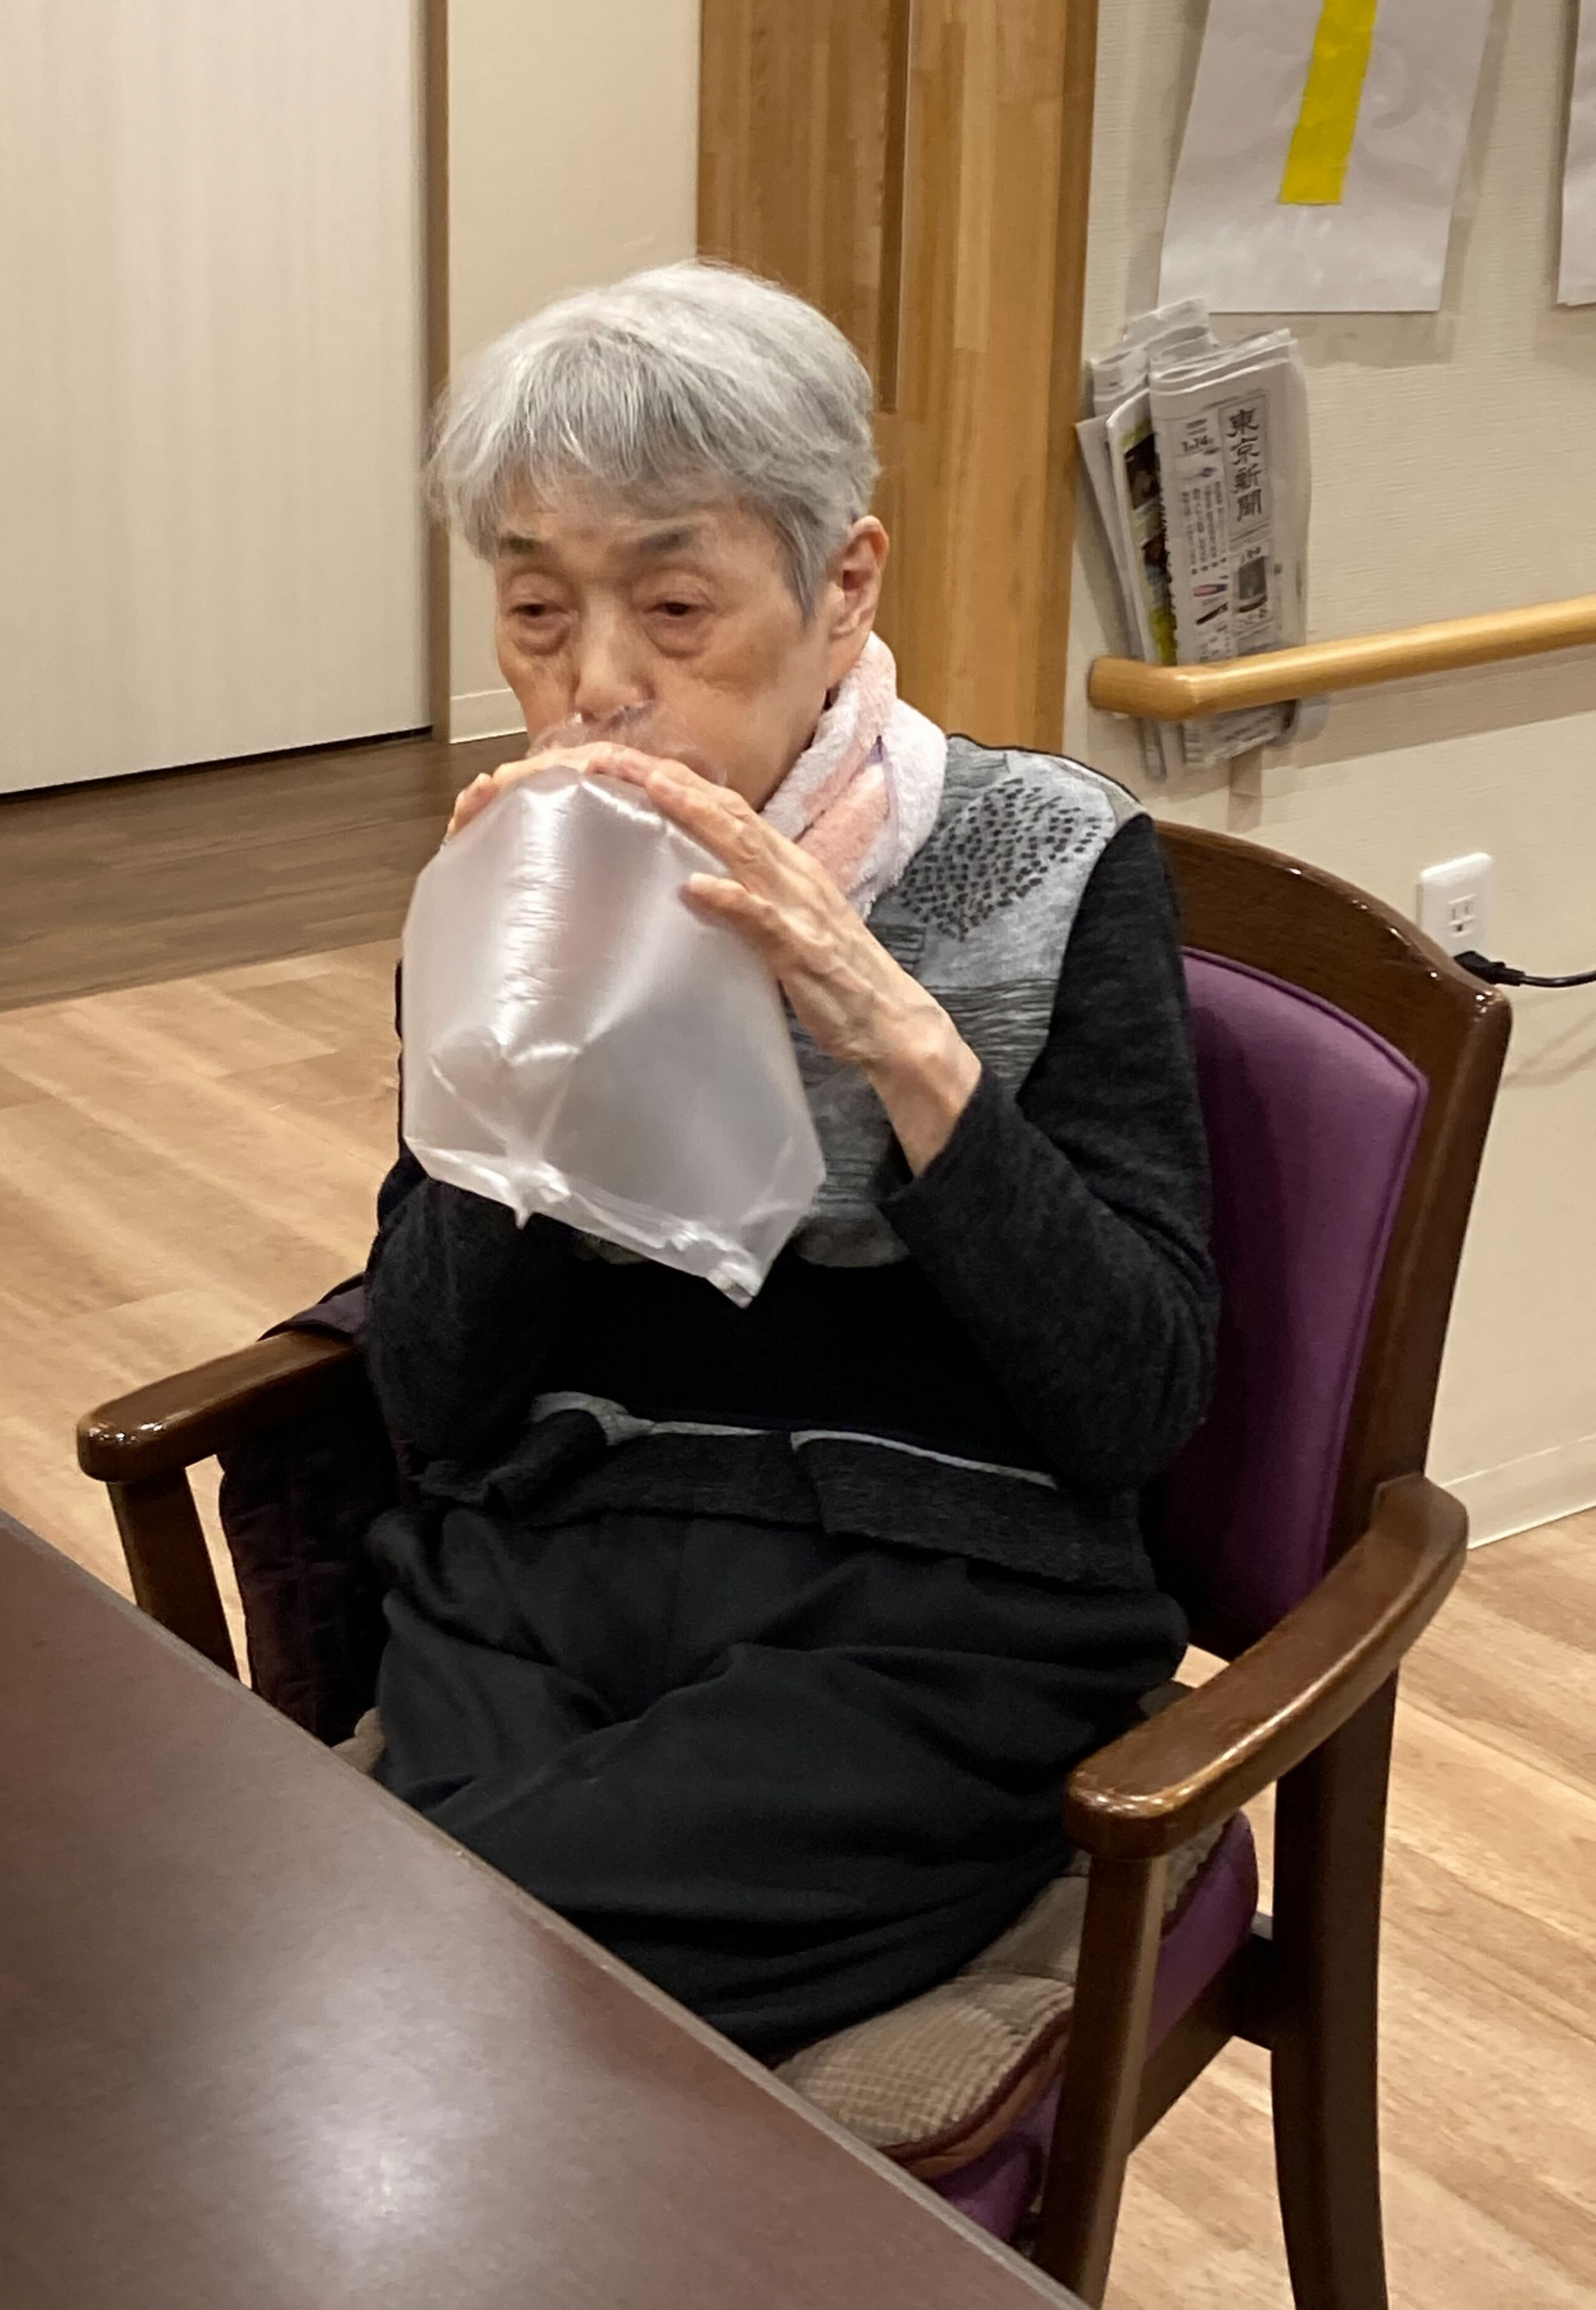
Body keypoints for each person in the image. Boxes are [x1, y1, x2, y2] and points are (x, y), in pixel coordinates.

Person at [360, 261, 1217, 2063]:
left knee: (409, 1958)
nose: (597, 687)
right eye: (535, 611)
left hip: (941, 1599)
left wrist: (902, 1040)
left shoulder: (1047, 859)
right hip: (556, 1555)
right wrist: (524, 1059)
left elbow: (1134, 1403)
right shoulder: (510, 889)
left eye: (675, 606)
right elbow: (432, 1401)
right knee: (458, 1963)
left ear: (844, 588)